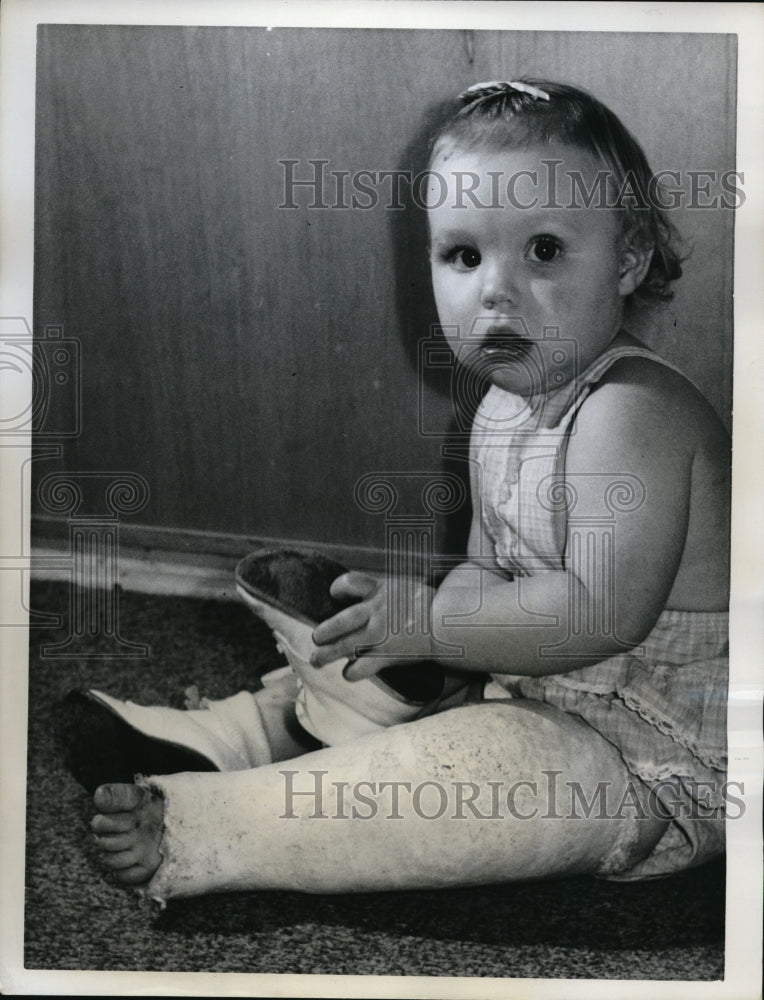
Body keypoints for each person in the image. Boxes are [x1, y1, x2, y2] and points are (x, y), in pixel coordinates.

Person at [68, 79, 730, 904]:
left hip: (662, 756)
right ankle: (241, 730)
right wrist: (430, 636)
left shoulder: (631, 412)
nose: (495, 289)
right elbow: (491, 578)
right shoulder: (500, 408)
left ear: (628, 260)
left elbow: (601, 615)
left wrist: (434, 626)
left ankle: (218, 826)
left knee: (490, 772)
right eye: (463, 255)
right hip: (547, 683)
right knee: (372, 646)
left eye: (545, 251)